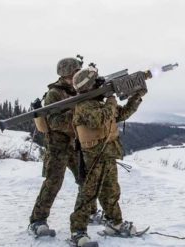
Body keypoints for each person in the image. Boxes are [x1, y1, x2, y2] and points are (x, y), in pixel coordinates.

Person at [69, 66, 146, 246]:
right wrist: (111, 99)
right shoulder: (83, 106)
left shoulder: (100, 104)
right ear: (89, 86)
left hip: (108, 154)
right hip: (93, 156)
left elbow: (123, 113)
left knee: (111, 191)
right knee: (88, 193)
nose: (100, 83)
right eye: (97, 82)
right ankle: (77, 232)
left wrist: (137, 96)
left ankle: (115, 223)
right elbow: (99, 119)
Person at [29, 57, 82, 236]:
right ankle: (37, 220)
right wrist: (77, 113)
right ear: (67, 73)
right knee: (53, 182)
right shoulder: (54, 94)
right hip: (57, 146)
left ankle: (88, 212)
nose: (78, 74)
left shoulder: (78, 89)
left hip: (74, 144)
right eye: (76, 71)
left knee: (86, 179)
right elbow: (54, 121)